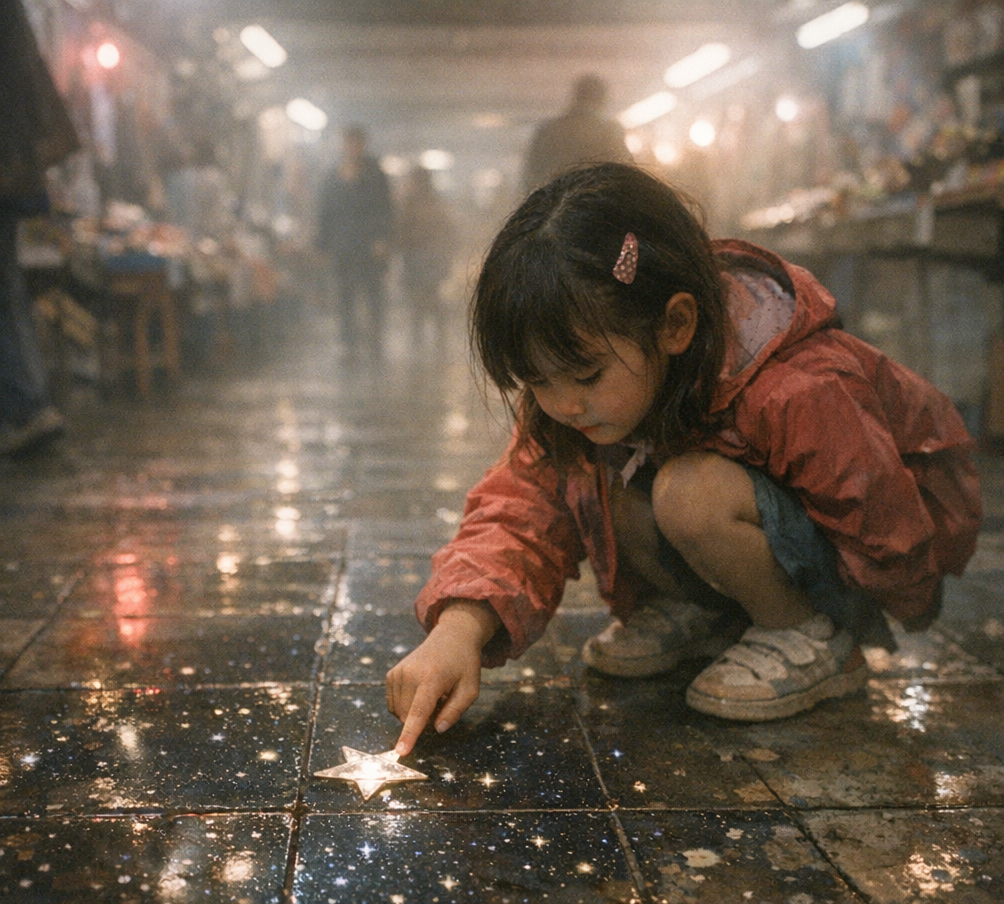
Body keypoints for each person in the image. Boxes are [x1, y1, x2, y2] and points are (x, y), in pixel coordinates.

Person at [386, 162, 982, 754]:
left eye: (586, 374)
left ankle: (808, 634)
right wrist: (458, 629)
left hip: (855, 562)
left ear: (675, 324)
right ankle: (703, 611)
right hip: (765, 541)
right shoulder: (582, 406)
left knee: (688, 493)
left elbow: (880, 512)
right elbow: (519, 508)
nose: (563, 402)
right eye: (538, 381)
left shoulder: (798, 384)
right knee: (594, 471)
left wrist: (887, 608)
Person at [0, 0, 78, 455]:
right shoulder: (10, 19)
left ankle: (21, 406)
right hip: (7, 173)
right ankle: (24, 405)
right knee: (2, 287)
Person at [316, 125, 393, 351]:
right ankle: (348, 343)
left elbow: (385, 208)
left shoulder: (375, 173)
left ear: (362, 144)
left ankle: (375, 340)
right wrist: (323, 244)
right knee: (345, 296)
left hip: (369, 245)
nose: (352, 147)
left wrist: (382, 238)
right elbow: (325, 211)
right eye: (348, 142)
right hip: (342, 246)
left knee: (373, 295)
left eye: (356, 142)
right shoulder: (332, 175)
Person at [521, 74, 630, 196]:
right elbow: (623, 170)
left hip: (554, 202)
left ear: (575, 97)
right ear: (602, 99)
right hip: (597, 201)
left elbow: (532, 171)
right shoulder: (610, 130)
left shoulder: (548, 130)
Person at [397, 166, 457, 347]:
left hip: (421, 258)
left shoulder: (411, 204)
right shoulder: (435, 202)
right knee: (430, 298)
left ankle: (422, 338)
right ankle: (436, 337)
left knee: (420, 300)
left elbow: (402, 233)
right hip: (429, 258)